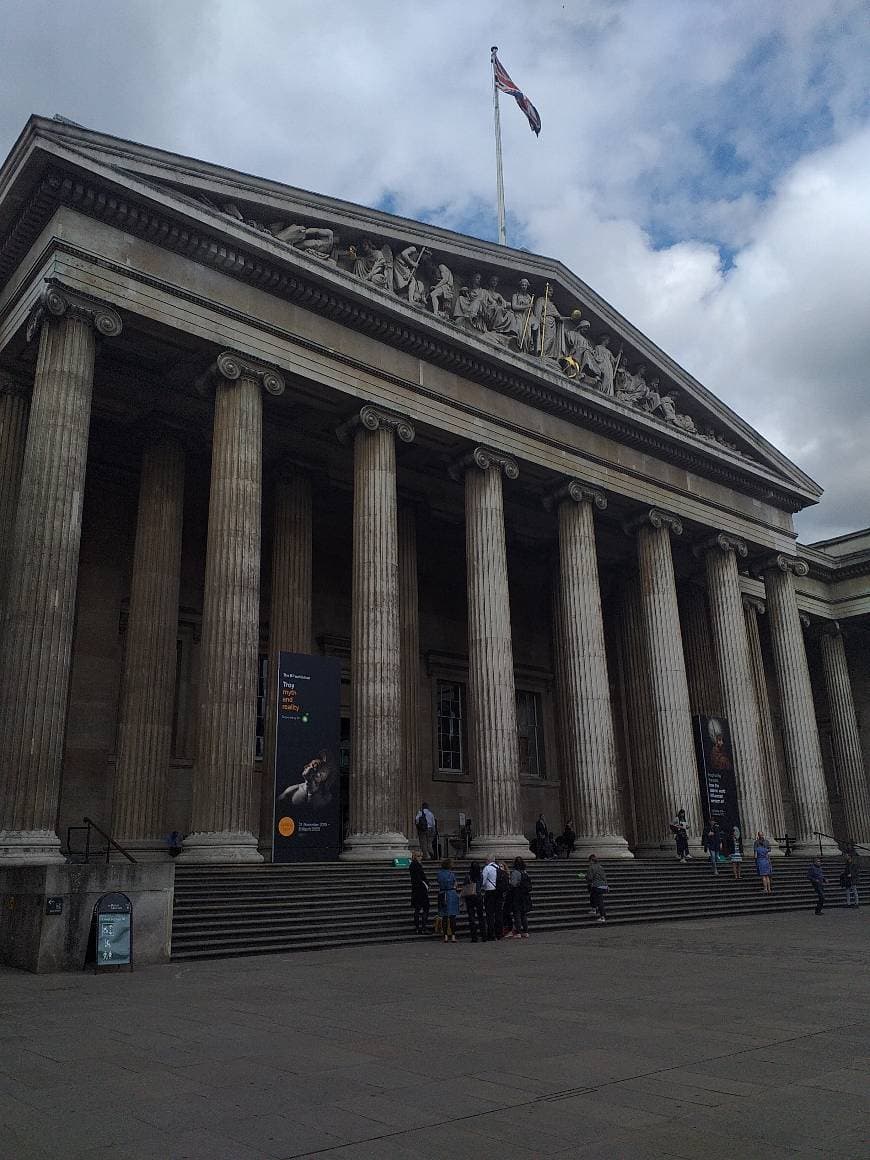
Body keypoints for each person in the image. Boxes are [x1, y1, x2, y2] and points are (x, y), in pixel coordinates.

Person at [506, 857, 531, 938]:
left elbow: (513, 884)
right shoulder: (525, 872)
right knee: (523, 914)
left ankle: (518, 932)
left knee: (517, 914)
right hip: (524, 896)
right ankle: (526, 931)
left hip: (517, 895)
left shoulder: (515, 872)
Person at [461, 861, 486, 941]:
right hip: (478, 896)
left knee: (471, 917)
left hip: (470, 897)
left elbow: (465, 885)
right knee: (481, 916)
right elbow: (482, 884)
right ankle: (483, 935)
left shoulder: (468, 876)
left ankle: (474, 937)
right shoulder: (480, 876)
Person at [437, 859, 460, 942]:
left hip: (442, 894)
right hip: (451, 894)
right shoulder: (451, 874)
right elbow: (455, 884)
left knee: (444, 916)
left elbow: (439, 882)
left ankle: (445, 936)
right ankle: (453, 936)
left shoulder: (439, 874)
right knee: (452, 916)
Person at [409, 850, 430, 934]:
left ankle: (417, 928)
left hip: (415, 890)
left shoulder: (412, 865)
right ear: (415, 857)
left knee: (417, 909)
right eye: (419, 856)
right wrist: (426, 884)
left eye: (421, 856)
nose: (420, 858)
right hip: (421, 890)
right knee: (425, 908)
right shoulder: (417, 866)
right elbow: (420, 878)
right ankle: (423, 928)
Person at [585, 854, 609, 924]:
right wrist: (607, 885)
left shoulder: (591, 867)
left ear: (591, 861)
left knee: (599, 901)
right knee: (593, 895)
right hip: (602, 885)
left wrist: (585, 876)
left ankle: (602, 916)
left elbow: (589, 878)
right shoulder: (600, 867)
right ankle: (594, 909)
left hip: (596, 885)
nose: (589, 862)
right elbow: (604, 877)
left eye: (589, 861)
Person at [481, 856, 500, 941]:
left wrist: (482, 887)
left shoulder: (487, 868)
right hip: (498, 891)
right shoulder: (498, 867)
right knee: (498, 913)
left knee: (490, 914)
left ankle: (491, 934)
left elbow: (483, 881)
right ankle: (498, 933)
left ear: (488, 860)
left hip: (490, 891)